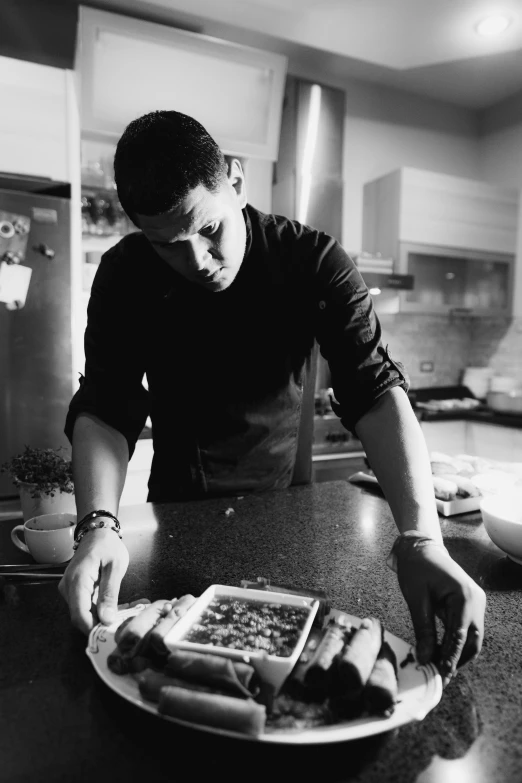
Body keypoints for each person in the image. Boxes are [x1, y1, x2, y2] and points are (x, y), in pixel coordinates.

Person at [59, 110, 485, 686]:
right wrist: (99, 526)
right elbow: (107, 404)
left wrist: (420, 538)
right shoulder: (123, 274)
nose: (198, 263)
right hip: (175, 511)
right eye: (168, 246)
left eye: (209, 231)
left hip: (288, 507)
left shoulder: (312, 260)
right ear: (139, 229)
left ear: (235, 180)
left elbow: (375, 392)